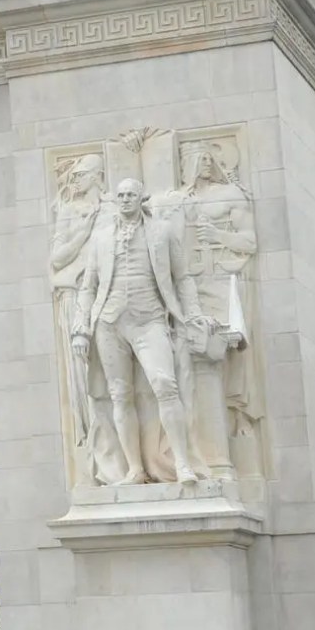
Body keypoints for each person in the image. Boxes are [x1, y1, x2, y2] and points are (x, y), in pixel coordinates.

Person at [72, 178, 207, 485]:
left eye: (131, 194)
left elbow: (183, 278)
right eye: (120, 195)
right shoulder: (101, 238)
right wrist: (81, 327)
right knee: (120, 395)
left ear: (142, 198)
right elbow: (88, 286)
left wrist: (193, 313)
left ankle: (182, 464)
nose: (125, 199)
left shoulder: (162, 231)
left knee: (164, 384)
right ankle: (134, 468)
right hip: (109, 322)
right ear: (114, 200)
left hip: (150, 319)